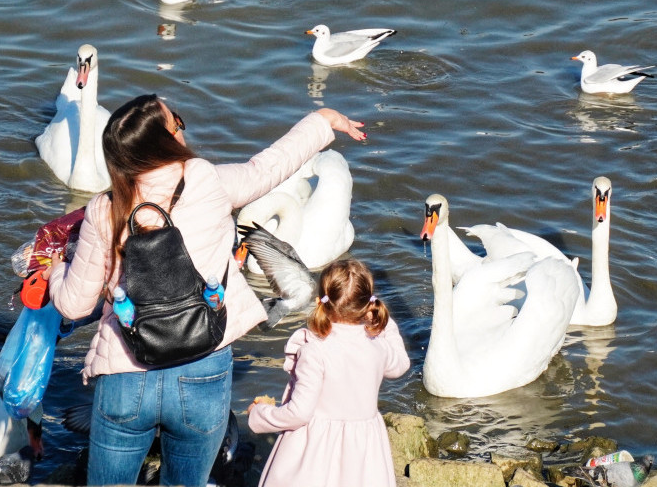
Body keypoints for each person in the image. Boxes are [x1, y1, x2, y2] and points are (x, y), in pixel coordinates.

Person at [47, 94, 366, 487]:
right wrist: (320, 122)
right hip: (202, 367)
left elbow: (75, 305)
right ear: (164, 141)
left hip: (126, 372)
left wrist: (56, 269)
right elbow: (266, 168)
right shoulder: (205, 180)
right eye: (176, 122)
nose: (182, 129)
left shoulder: (104, 208)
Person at [247, 259, 410, 487]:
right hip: (364, 448)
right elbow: (401, 364)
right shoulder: (377, 347)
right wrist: (385, 324)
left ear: (319, 303)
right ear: (368, 305)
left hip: (315, 450)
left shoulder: (315, 350)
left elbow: (300, 413)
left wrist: (261, 414)